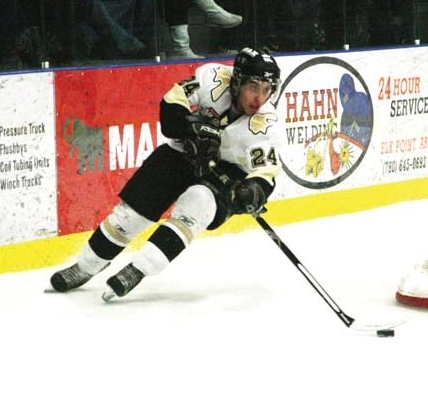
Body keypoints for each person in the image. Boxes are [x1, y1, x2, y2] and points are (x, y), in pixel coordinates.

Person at [49, 47, 282, 299]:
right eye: (253, 87)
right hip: (185, 151)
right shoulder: (212, 77)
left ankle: (138, 269)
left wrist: (253, 190)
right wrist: (192, 129)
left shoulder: (266, 124)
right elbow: (172, 103)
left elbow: (267, 171)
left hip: (227, 171)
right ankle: (86, 265)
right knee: (131, 215)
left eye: (266, 90)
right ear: (237, 82)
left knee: (198, 203)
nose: (259, 98)